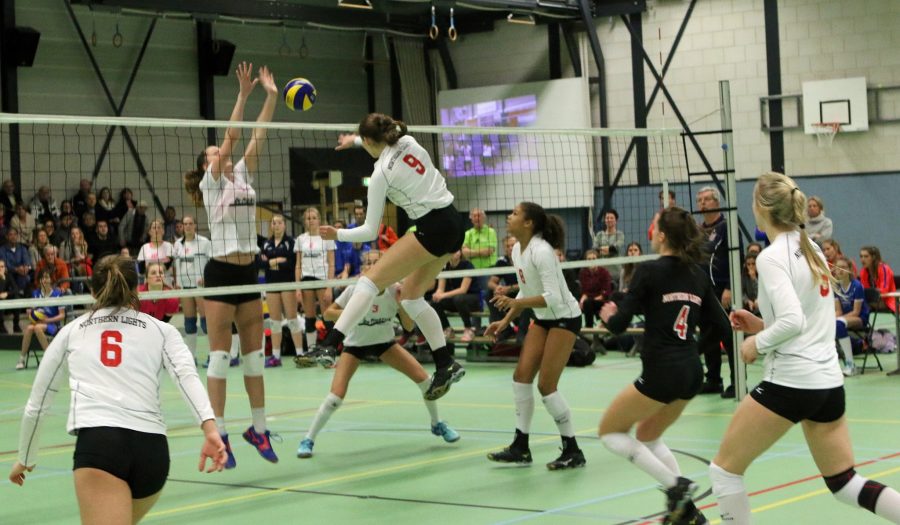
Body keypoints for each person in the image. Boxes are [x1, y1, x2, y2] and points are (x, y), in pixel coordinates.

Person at [710, 172, 900, 525]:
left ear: (761, 209)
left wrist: (756, 343)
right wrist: (762, 325)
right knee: (844, 484)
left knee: (724, 472)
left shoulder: (770, 257)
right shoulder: (809, 246)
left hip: (792, 381)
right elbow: (809, 322)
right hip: (827, 384)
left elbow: (794, 322)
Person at [8, 255, 227, 522]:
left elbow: (37, 404)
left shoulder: (72, 331)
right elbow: (187, 378)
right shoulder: (163, 330)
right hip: (152, 453)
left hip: (101, 448)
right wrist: (210, 429)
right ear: (137, 289)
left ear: (91, 292)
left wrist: (25, 457)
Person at [320, 113, 467, 401]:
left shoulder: (380, 175)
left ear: (372, 141)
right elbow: (381, 140)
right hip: (454, 223)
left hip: (431, 228)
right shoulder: (408, 140)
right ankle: (444, 362)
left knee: (369, 281)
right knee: (411, 297)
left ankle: (330, 343)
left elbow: (368, 231)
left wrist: (337, 235)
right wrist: (355, 140)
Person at [599, 207, 730, 525]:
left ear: (660, 236)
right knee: (648, 435)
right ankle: (687, 511)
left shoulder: (648, 271)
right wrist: (696, 350)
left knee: (609, 432)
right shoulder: (698, 274)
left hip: (661, 372)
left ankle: (676, 486)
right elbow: (723, 328)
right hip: (691, 372)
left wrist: (607, 314)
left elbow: (618, 325)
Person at [183, 61, 280, 466]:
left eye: (219, 154)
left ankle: (258, 429)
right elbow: (233, 134)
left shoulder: (242, 175)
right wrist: (242, 94)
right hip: (221, 274)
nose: (219, 156)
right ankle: (220, 434)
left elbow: (257, 135)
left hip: (248, 271)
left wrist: (271, 96)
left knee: (255, 358)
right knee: (221, 358)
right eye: (212, 154)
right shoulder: (211, 184)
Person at [297, 250, 460, 458]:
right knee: (335, 397)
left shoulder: (395, 291)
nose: (374, 266)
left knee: (426, 382)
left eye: (378, 262)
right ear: (364, 268)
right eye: (369, 263)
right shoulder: (356, 289)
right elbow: (328, 313)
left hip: (384, 344)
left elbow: (409, 326)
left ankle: (437, 424)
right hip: (355, 345)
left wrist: (402, 304)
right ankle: (308, 439)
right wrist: (355, 312)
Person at [484, 202, 586, 470]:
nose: (509, 216)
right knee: (521, 377)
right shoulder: (518, 249)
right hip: (542, 318)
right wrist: (505, 320)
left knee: (546, 386)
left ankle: (573, 450)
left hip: (564, 317)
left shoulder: (542, 251)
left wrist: (517, 305)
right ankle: (521, 447)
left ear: (529, 223)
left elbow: (551, 297)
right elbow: (526, 291)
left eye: (515, 213)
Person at [696, 186, 736, 398]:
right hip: (704, 291)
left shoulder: (727, 227)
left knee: (728, 335)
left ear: (716, 202)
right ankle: (713, 379)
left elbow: (734, 258)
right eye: (699, 200)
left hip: (723, 289)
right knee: (707, 333)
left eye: (706, 200)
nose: (702, 203)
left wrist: (729, 287)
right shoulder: (698, 230)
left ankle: (737, 382)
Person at [260, 214, 302, 367]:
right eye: (274, 223)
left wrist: (271, 262)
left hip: (287, 283)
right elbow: (261, 264)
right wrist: (278, 261)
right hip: (271, 284)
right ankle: (276, 357)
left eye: (279, 223)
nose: (276, 225)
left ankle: (300, 354)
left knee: (292, 319)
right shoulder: (266, 244)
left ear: (284, 225)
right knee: (274, 322)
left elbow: (291, 263)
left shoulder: (291, 242)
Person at [294, 207, 335, 355]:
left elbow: (331, 264)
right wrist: (298, 288)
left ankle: (332, 349)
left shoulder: (327, 238)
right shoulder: (300, 239)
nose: (311, 221)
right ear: (304, 221)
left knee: (327, 316)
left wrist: (330, 287)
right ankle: (311, 351)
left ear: (319, 220)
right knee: (309, 318)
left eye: (313, 218)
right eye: (308, 218)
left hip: (322, 280)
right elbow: (298, 265)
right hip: (307, 280)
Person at [173, 215, 211, 362]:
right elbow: (177, 265)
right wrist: (177, 282)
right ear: (182, 226)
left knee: (205, 322)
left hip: (200, 286)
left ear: (195, 225)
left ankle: (211, 355)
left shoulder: (204, 242)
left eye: (190, 223)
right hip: (184, 287)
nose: (187, 226)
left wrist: (206, 278)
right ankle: (191, 357)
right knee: (189, 323)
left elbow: (211, 262)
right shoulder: (177, 244)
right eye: (185, 224)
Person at [15, 269, 65, 370]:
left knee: (37, 328)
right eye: (42, 278)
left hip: (54, 325)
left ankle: (49, 359)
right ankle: (21, 359)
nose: (44, 280)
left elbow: (62, 315)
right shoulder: (35, 294)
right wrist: (30, 312)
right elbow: (31, 310)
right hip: (38, 323)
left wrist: (47, 320)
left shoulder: (57, 294)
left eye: (47, 277)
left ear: (51, 279)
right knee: (29, 328)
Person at [430, 250, 482, 343]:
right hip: (455, 301)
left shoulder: (467, 265)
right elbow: (440, 289)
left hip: (472, 299)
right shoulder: (445, 266)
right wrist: (437, 294)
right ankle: (447, 329)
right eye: (453, 250)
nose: (456, 253)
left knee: (459, 298)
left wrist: (443, 295)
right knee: (434, 302)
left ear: (460, 253)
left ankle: (468, 329)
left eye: (458, 250)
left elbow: (463, 290)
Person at [834, 256, 868, 377]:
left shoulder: (857, 286)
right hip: (843, 319)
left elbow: (856, 312)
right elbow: (838, 311)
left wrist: (838, 319)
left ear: (850, 270)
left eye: (843, 267)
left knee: (838, 323)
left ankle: (851, 364)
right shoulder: (836, 287)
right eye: (837, 267)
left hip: (860, 319)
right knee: (830, 324)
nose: (840, 270)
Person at [486, 235, 520, 341]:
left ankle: (520, 330)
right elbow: (491, 282)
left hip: (523, 293)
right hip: (508, 293)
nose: (510, 248)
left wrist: (509, 288)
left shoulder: (524, 258)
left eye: (513, 245)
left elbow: (528, 284)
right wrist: (498, 288)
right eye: (507, 246)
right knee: (490, 294)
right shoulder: (502, 261)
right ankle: (505, 330)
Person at [579, 249, 613, 350]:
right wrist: (582, 299)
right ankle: (587, 335)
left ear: (598, 260)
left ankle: (589, 330)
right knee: (584, 303)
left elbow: (605, 293)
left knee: (588, 303)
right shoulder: (583, 273)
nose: (591, 261)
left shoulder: (604, 272)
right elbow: (584, 291)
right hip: (589, 301)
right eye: (589, 259)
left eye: (594, 258)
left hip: (602, 301)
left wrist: (589, 298)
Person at [859, 245, 896, 313]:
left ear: (873, 257)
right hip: (871, 300)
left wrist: (871, 293)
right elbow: (863, 290)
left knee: (859, 305)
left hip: (887, 301)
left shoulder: (884, 269)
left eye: (866, 256)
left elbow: (884, 290)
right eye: (861, 256)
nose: (863, 259)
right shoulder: (863, 272)